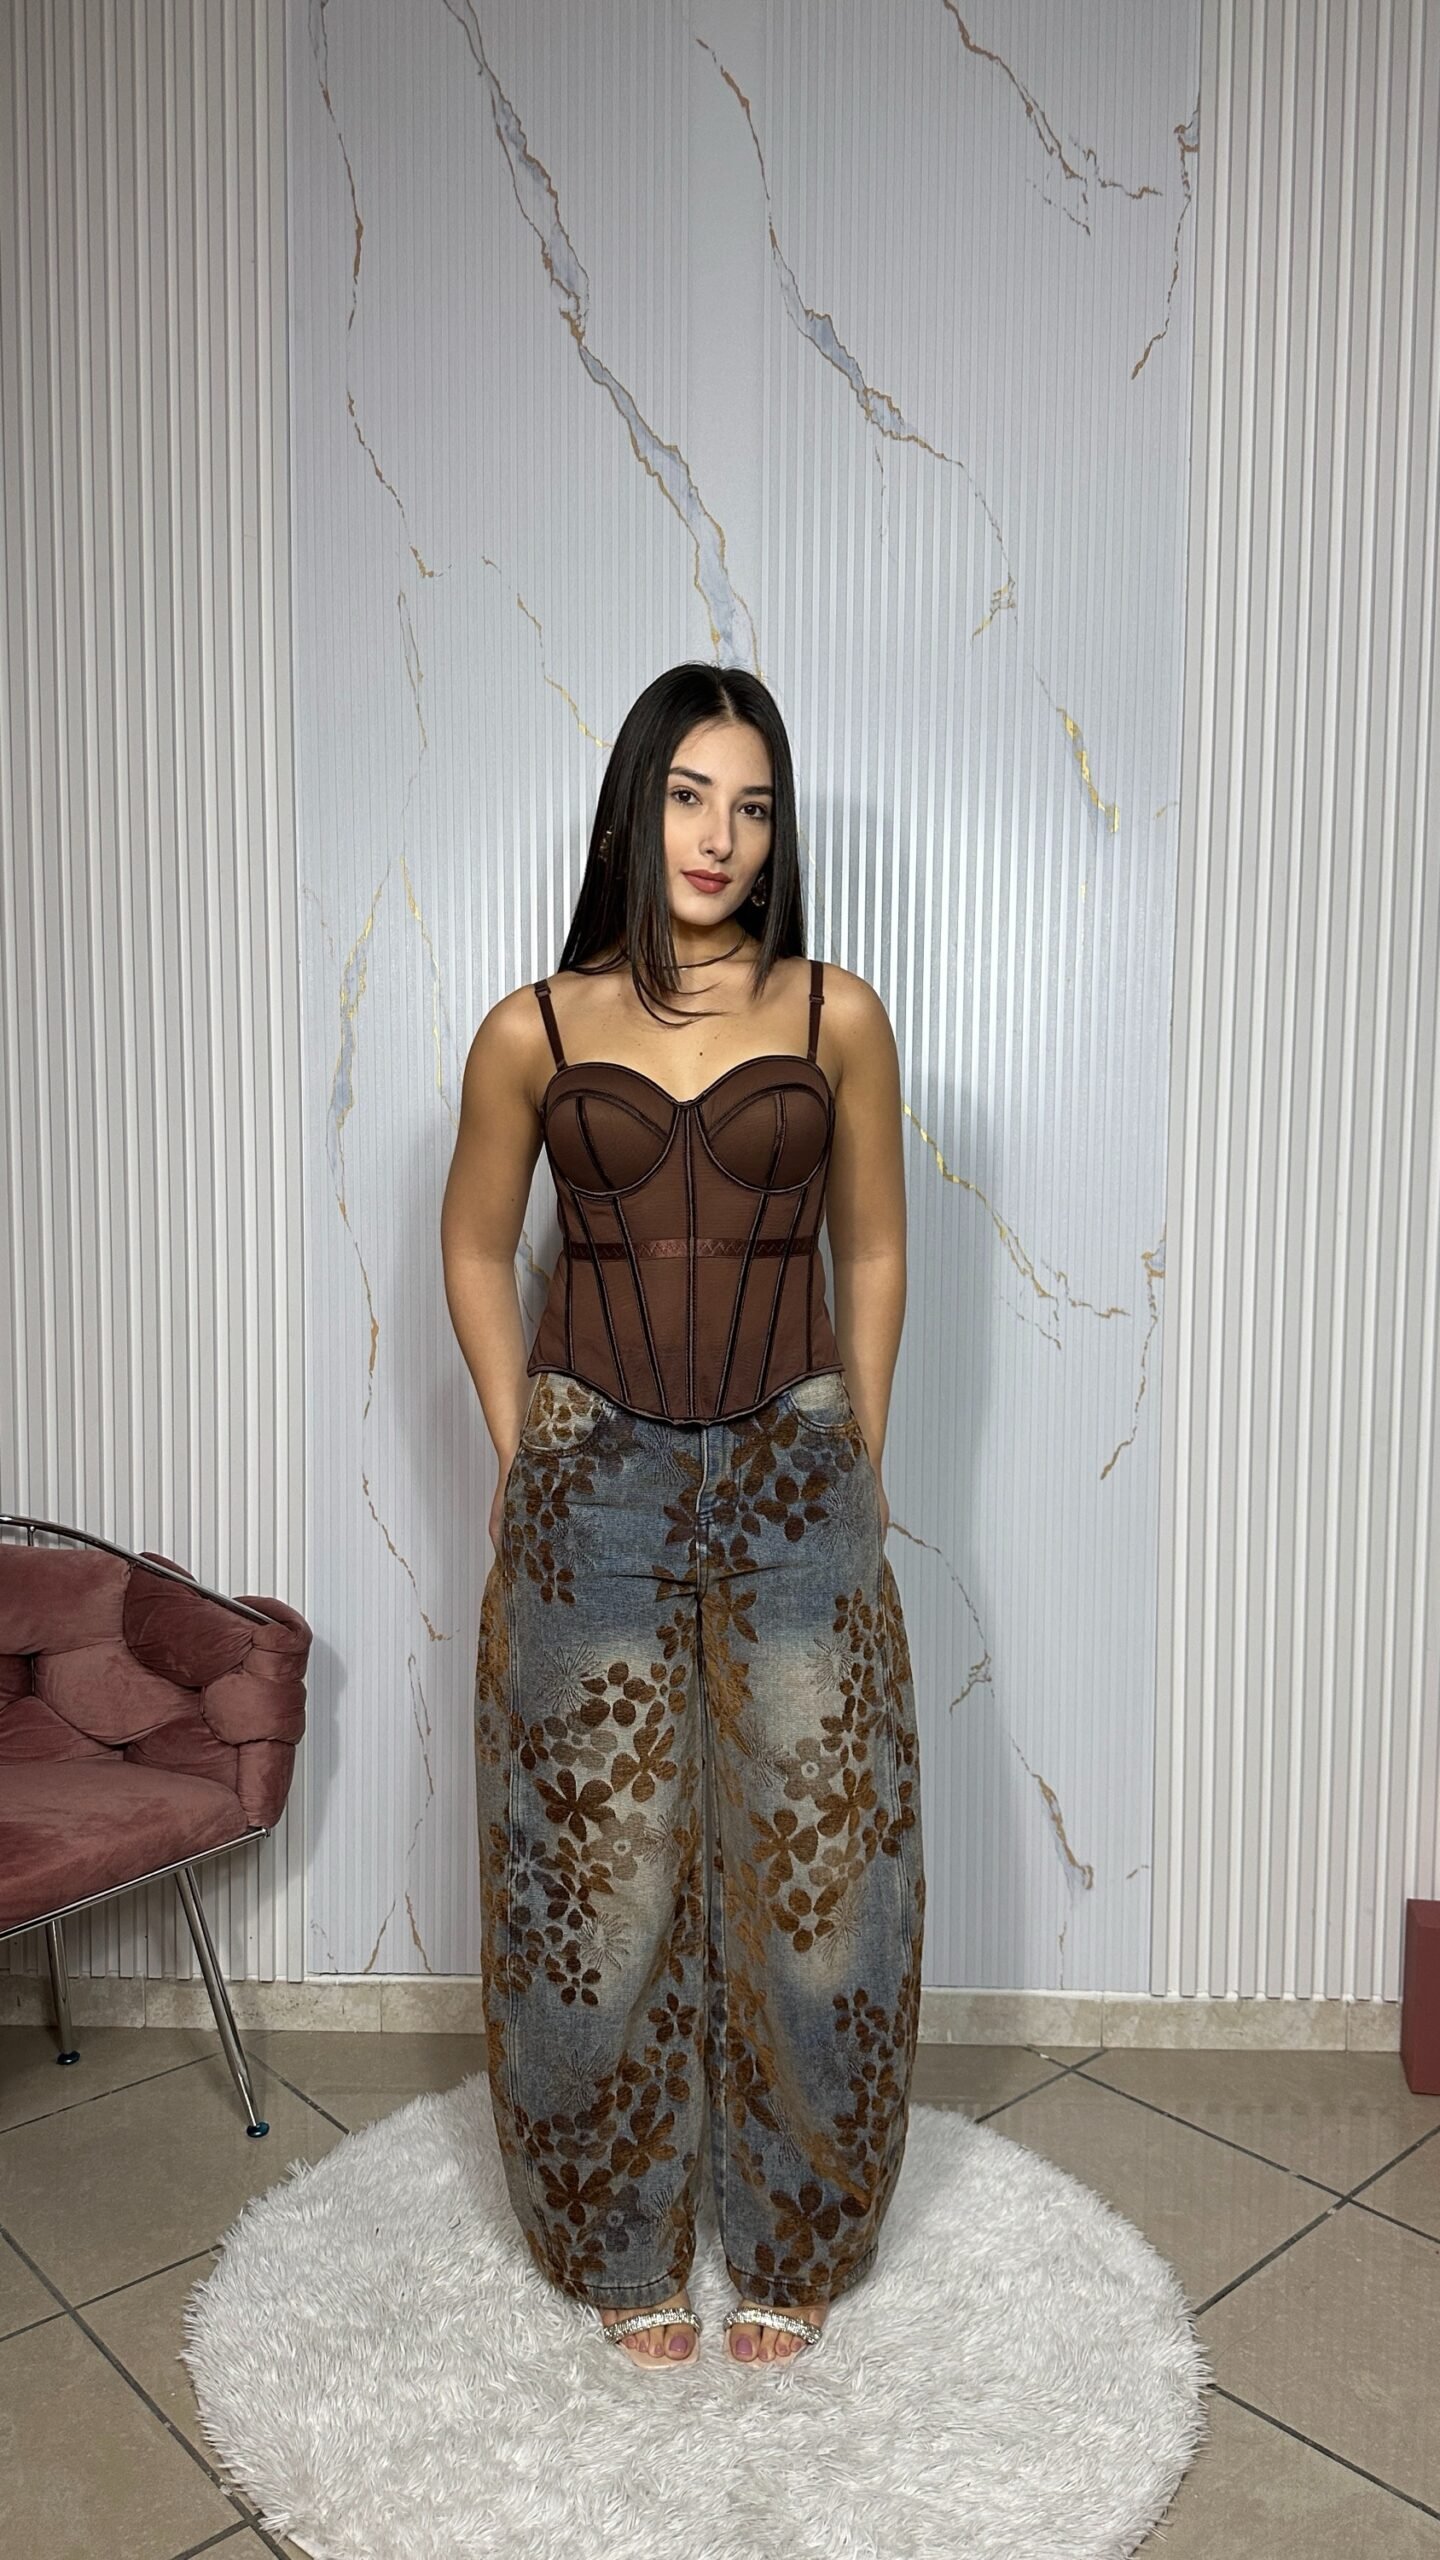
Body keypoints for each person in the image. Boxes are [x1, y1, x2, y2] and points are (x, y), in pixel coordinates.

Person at [440, 661, 924, 2375]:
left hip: (796, 1464)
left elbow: (874, 1244)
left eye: (755, 804)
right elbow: (471, 1245)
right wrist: (527, 1446)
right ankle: (613, 2239)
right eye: (690, 794)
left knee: (822, 1875)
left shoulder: (836, 1013)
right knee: (598, 1878)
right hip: (597, 1477)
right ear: (633, 810)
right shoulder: (536, 1028)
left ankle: (799, 2235)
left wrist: (857, 1444)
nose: (721, 836)